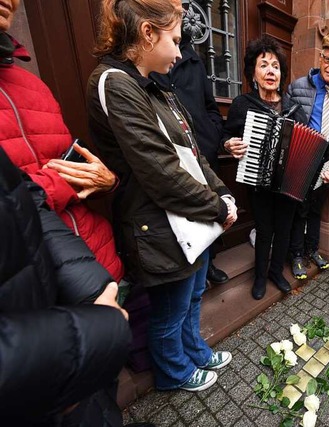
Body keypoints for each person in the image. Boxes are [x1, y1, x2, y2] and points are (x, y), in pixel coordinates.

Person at [87, 0, 236, 393]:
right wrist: (217, 207)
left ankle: (195, 352)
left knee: (193, 296)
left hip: (190, 217)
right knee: (170, 311)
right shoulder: (115, 84)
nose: (180, 51)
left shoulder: (152, 84)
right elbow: (161, 172)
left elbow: (191, 151)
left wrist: (220, 192)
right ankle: (175, 373)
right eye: (174, 39)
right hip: (159, 223)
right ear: (148, 33)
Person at [0, 147, 131, 426]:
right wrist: (75, 342)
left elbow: (23, 201)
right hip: (39, 346)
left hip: (51, 298)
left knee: (95, 402)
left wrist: (92, 289)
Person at [0, 0, 124, 288]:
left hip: (102, 260)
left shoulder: (34, 86)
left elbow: (72, 169)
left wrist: (106, 181)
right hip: (39, 287)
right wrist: (61, 182)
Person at [222, 35, 308, 300]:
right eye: (264, 65)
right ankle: (259, 276)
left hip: (288, 184)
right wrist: (228, 144)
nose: (271, 71)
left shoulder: (294, 108)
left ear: (281, 74)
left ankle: (275, 272)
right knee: (264, 229)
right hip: (257, 182)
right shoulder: (242, 105)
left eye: (275, 66)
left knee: (283, 230)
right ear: (253, 72)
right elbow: (225, 136)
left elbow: (307, 143)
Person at [150, 9, 228, 286]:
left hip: (203, 150)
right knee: (185, 215)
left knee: (209, 212)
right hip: (170, 153)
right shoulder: (149, 62)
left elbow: (210, 106)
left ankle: (209, 267)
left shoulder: (194, 60)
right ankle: (192, 274)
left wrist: (212, 135)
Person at [287, 33, 329, 280]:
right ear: (320, 56)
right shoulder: (297, 87)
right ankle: (295, 255)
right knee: (298, 210)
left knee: (316, 209)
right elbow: (288, 125)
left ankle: (312, 250)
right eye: (328, 59)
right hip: (302, 160)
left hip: (327, 164)